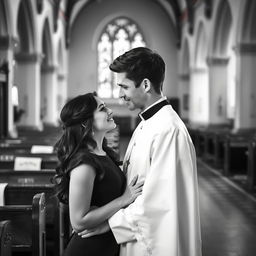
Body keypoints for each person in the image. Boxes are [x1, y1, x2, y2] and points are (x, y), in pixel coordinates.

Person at [78, 48, 202, 256]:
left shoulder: (168, 130)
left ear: (145, 85)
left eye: (124, 86)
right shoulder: (148, 123)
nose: (120, 95)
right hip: (137, 237)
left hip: (157, 243)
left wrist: (109, 223)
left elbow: (160, 203)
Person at [53, 93, 144, 256]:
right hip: (88, 249)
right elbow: (79, 221)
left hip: (106, 245)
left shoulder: (103, 153)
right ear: (85, 122)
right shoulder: (84, 164)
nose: (110, 111)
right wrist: (124, 199)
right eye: (102, 108)